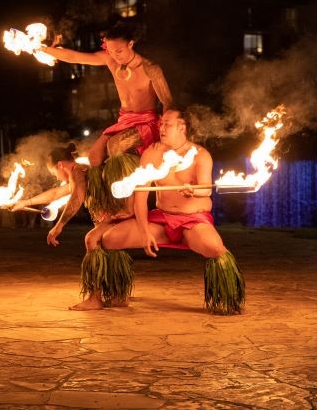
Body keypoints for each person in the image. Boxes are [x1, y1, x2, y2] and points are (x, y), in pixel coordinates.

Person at [101, 109, 246, 315]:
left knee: (215, 248)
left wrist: (193, 190)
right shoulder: (152, 153)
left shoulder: (199, 154)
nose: (161, 128)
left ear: (182, 127)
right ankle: (117, 293)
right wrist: (144, 231)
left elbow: (206, 188)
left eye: (166, 124)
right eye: (160, 124)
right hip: (162, 220)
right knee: (110, 239)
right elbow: (141, 196)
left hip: (192, 222)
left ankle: (227, 299)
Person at [37, 22, 172, 218]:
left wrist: (165, 134)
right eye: (110, 50)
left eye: (119, 50)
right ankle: (101, 203)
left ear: (131, 44)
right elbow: (75, 56)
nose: (115, 55)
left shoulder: (151, 68)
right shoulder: (110, 60)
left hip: (146, 122)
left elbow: (167, 101)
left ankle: (127, 205)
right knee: (94, 157)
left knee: (115, 146)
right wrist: (42, 49)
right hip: (124, 120)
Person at [13, 142, 137, 310]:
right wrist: (26, 202)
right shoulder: (80, 171)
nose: (56, 177)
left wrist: (59, 226)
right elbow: (56, 193)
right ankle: (118, 295)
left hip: (115, 214)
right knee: (109, 248)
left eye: (54, 173)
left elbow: (77, 197)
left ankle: (95, 298)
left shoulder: (78, 170)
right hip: (109, 216)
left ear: (60, 165)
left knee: (91, 240)